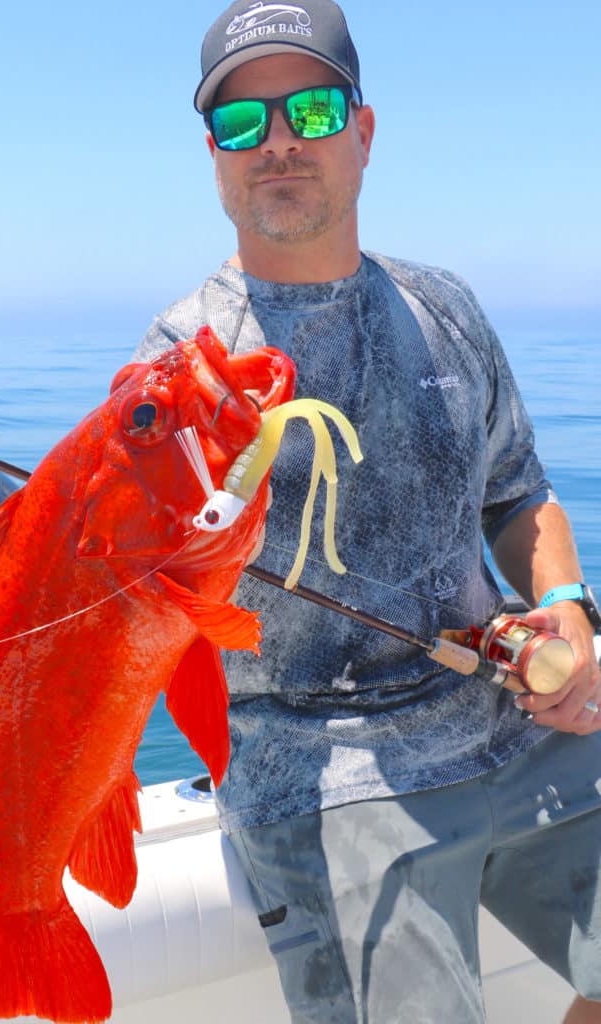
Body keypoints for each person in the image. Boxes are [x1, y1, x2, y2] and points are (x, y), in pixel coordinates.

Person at [135, 1, 601, 1021]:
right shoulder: (177, 369)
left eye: (308, 106)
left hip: (512, 722)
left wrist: (564, 603)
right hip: (322, 772)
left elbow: (516, 487)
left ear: (362, 130)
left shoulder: (444, 306)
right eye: (242, 123)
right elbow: (139, 591)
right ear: (213, 158)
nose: (280, 143)